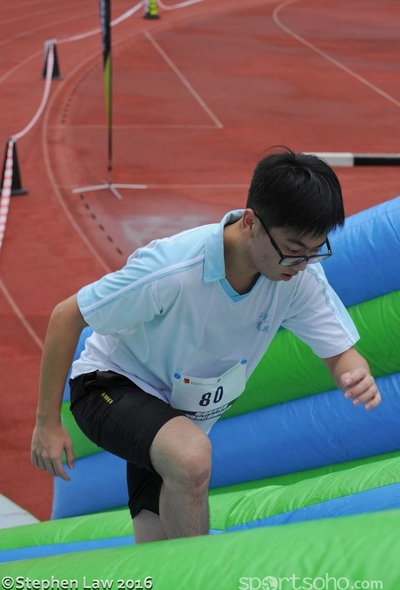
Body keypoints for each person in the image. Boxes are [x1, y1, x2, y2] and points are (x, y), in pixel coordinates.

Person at [31, 148, 381, 543]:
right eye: (293, 249)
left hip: (176, 411)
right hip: (108, 385)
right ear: (250, 223)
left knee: (157, 543)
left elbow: (340, 353)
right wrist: (47, 423)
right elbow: (66, 316)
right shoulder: (174, 268)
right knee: (191, 458)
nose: (300, 264)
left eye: (314, 251)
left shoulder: (299, 278)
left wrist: (355, 374)